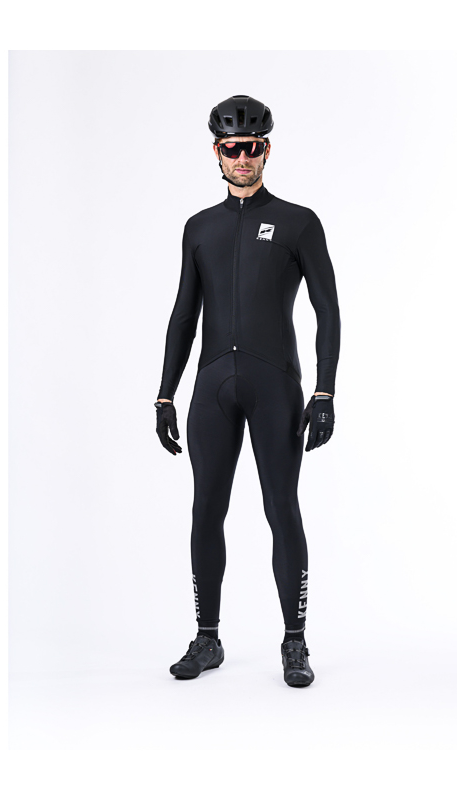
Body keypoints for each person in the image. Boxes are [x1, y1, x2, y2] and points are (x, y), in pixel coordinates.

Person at [154, 95, 341, 688]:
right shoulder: (199, 228)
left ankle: (295, 642)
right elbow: (183, 315)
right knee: (206, 510)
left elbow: (329, 311)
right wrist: (164, 395)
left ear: (267, 150)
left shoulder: (298, 222)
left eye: (252, 147)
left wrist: (325, 393)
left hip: (275, 386)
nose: (242, 157)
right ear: (217, 151)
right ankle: (207, 639)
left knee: (281, 509)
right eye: (232, 148)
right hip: (212, 386)